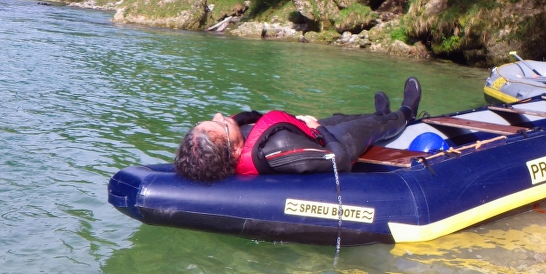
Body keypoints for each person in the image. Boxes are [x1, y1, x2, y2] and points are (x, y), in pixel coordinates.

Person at [174, 77, 421, 182]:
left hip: (303, 131)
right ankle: (406, 112)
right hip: (332, 144)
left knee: (342, 117)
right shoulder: (278, 151)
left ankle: (379, 112)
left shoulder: (230, 140)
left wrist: (309, 126)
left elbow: (252, 118)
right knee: (374, 127)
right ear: (236, 151)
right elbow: (339, 161)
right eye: (220, 123)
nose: (220, 116)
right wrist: (319, 129)